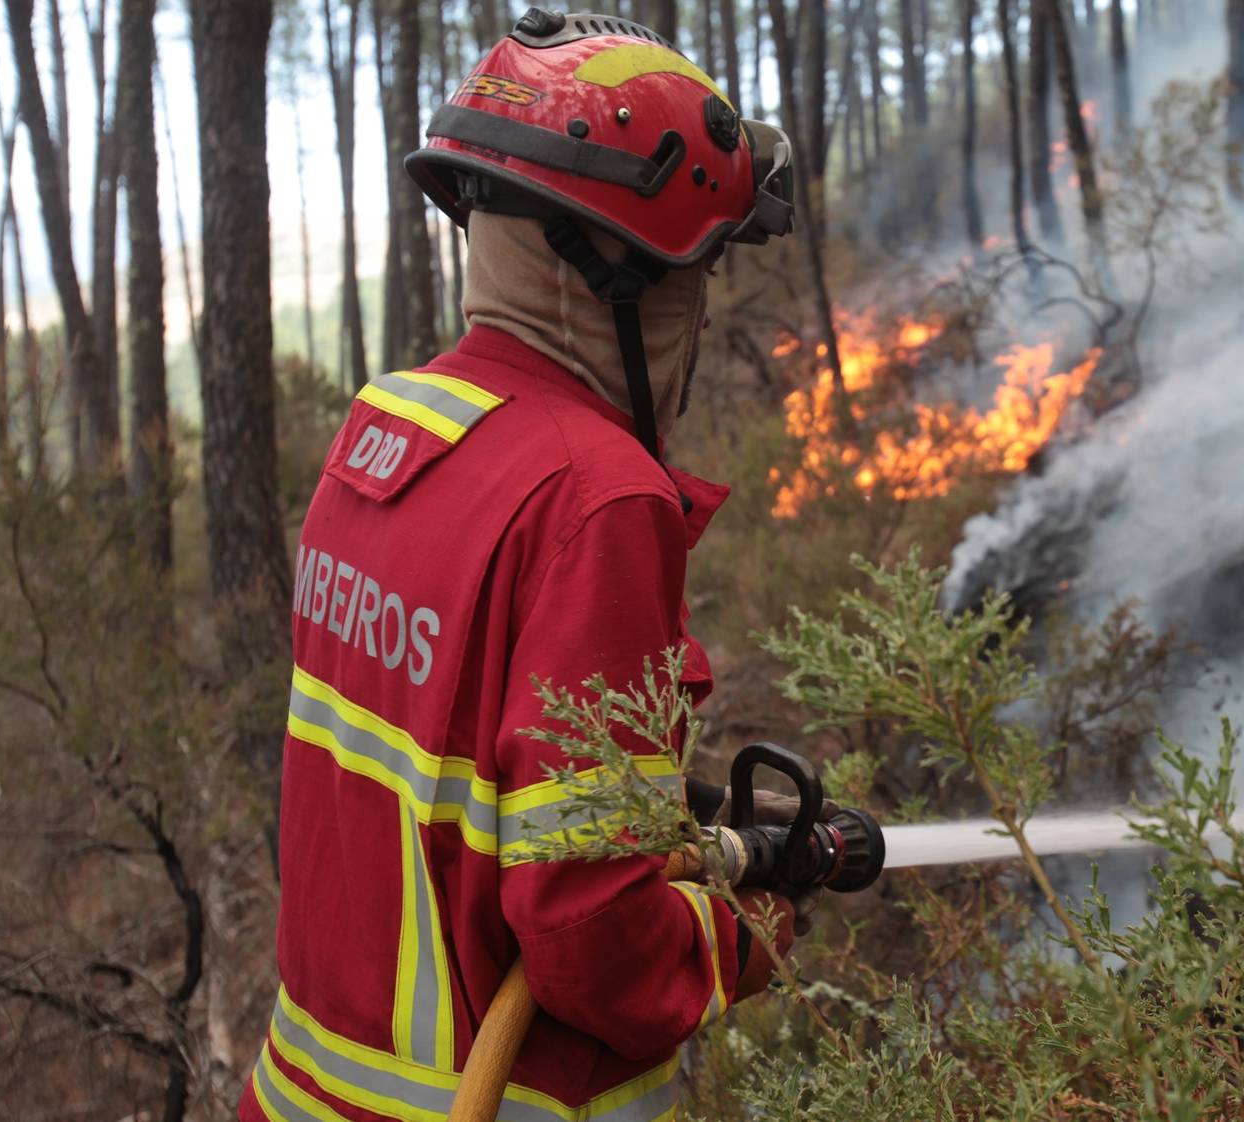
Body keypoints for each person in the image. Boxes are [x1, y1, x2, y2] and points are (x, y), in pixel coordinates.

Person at [240, 11, 802, 1121]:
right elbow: (591, 939)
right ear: (630, 279)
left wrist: (653, 809)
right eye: (700, 280)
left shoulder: (385, 433)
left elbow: (449, 760)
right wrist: (744, 930)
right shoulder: (598, 498)